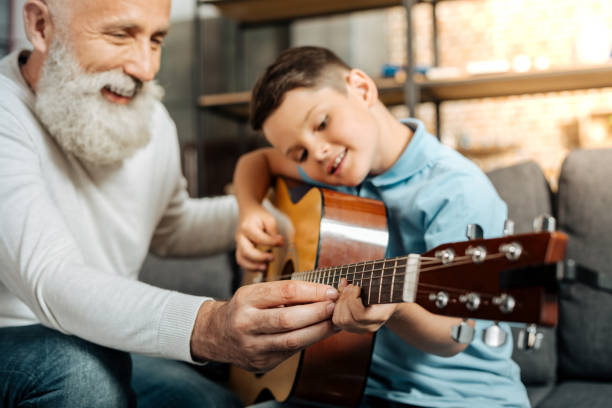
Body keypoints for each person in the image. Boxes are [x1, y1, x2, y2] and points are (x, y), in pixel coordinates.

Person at [0, 1, 340, 407]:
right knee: (81, 375)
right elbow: (50, 277)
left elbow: (171, 227)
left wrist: (266, 212)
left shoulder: (150, 118)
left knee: (219, 403)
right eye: (120, 35)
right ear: (41, 26)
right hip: (16, 338)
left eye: (157, 39)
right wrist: (209, 325)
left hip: (98, 340)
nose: (145, 68)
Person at [233, 46, 530, 408]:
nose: (318, 153)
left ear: (360, 88)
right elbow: (256, 161)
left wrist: (395, 309)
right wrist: (248, 209)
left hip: (456, 398)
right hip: (350, 387)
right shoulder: (334, 173)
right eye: (299, 154)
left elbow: (455, 334)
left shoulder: (457, 190)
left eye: (322, 123)